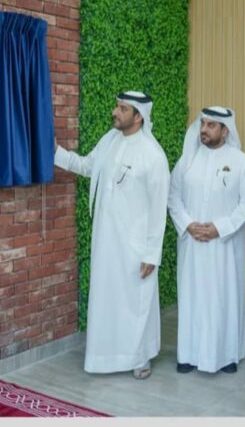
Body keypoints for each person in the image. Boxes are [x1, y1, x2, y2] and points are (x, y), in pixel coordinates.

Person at [53, 91, 170, 379]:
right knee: (108, 300)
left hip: (135, 246)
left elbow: (158, 209)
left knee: (136, 301)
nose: (115, 112)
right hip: (106, 240)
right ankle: (104, 357)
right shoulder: (109, 140)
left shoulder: (153, 155)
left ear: (138, 116)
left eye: (122, 109)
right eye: (116, 106)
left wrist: (151, 253)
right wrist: (55, 152)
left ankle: (140, 357)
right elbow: (87, 166)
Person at [168, 106, 245, 374]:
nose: (204, 130)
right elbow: (173, 196)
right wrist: (188, 224)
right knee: (192, 298)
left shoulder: (241, 162)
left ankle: (226, 356)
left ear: (225, 130)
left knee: (223, 298)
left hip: (224, 247)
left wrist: (219, 228)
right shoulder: (187, 161)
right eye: (202, 124)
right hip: (192, 244)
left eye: (211, 125)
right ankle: (188, 355)